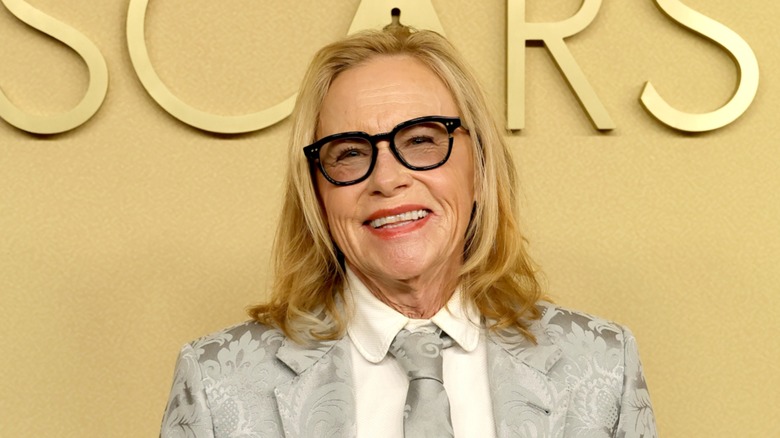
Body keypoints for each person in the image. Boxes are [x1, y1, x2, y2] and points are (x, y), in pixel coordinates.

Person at [160, 25, 657, 438]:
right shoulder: (216, 382)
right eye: (350, 152)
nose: (388, 179)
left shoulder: (604, 363)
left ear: (480, 169)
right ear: (316, 193)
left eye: (421, 140)